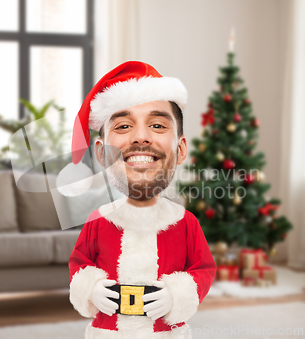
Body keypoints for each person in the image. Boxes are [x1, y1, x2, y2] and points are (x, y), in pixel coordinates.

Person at [62, 61, 217, 338]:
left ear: (180, 149)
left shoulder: (185, 223)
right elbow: (79, 265)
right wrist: (91, 288)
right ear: (102, 153)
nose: (141, 137)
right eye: (123, 126)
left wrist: (176, 296)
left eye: (157, 125)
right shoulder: (98, 220)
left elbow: (203, 269)